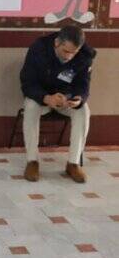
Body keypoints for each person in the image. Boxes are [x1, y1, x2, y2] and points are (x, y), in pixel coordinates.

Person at [20, 24, 96, 183]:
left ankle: (73, 163)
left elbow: (83, 85)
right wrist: (46, 98)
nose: (69, 56)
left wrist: (78, 99)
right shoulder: (39, 48)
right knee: (30, 107)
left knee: (83, 110)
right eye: (65, 51)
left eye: (73, 52)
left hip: (65, 100)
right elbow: (27, 83)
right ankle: (32, 161)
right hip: (42, 97)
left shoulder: (85, 55)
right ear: (57, 43)